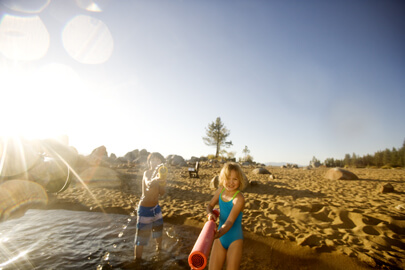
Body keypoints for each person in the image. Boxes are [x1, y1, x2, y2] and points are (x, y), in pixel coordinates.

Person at [206, 162, 246, 270]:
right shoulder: (220, 190)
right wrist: (210, 213)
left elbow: (229, 222)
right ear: (222, 178)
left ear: (240, 180)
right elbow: (209, 205)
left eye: (235, 179)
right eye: (228, 178)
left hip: (234, 239)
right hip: (220, 238)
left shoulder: (239, 199)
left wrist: (218, 234)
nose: (231, 182)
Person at [134, 152, 167, 261]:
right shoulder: (147, 173)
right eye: (153, 160)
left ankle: (159, 251)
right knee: (141, 239)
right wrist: (155, 180)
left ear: (161, 163)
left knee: (158, 233)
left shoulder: (161, 176)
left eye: (158, 160)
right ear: (149, 162)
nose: (155, 162)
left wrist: (162, 182)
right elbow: (148, 183)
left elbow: (162, 193)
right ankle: (137, 261)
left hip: (156, 208)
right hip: (145, 209)